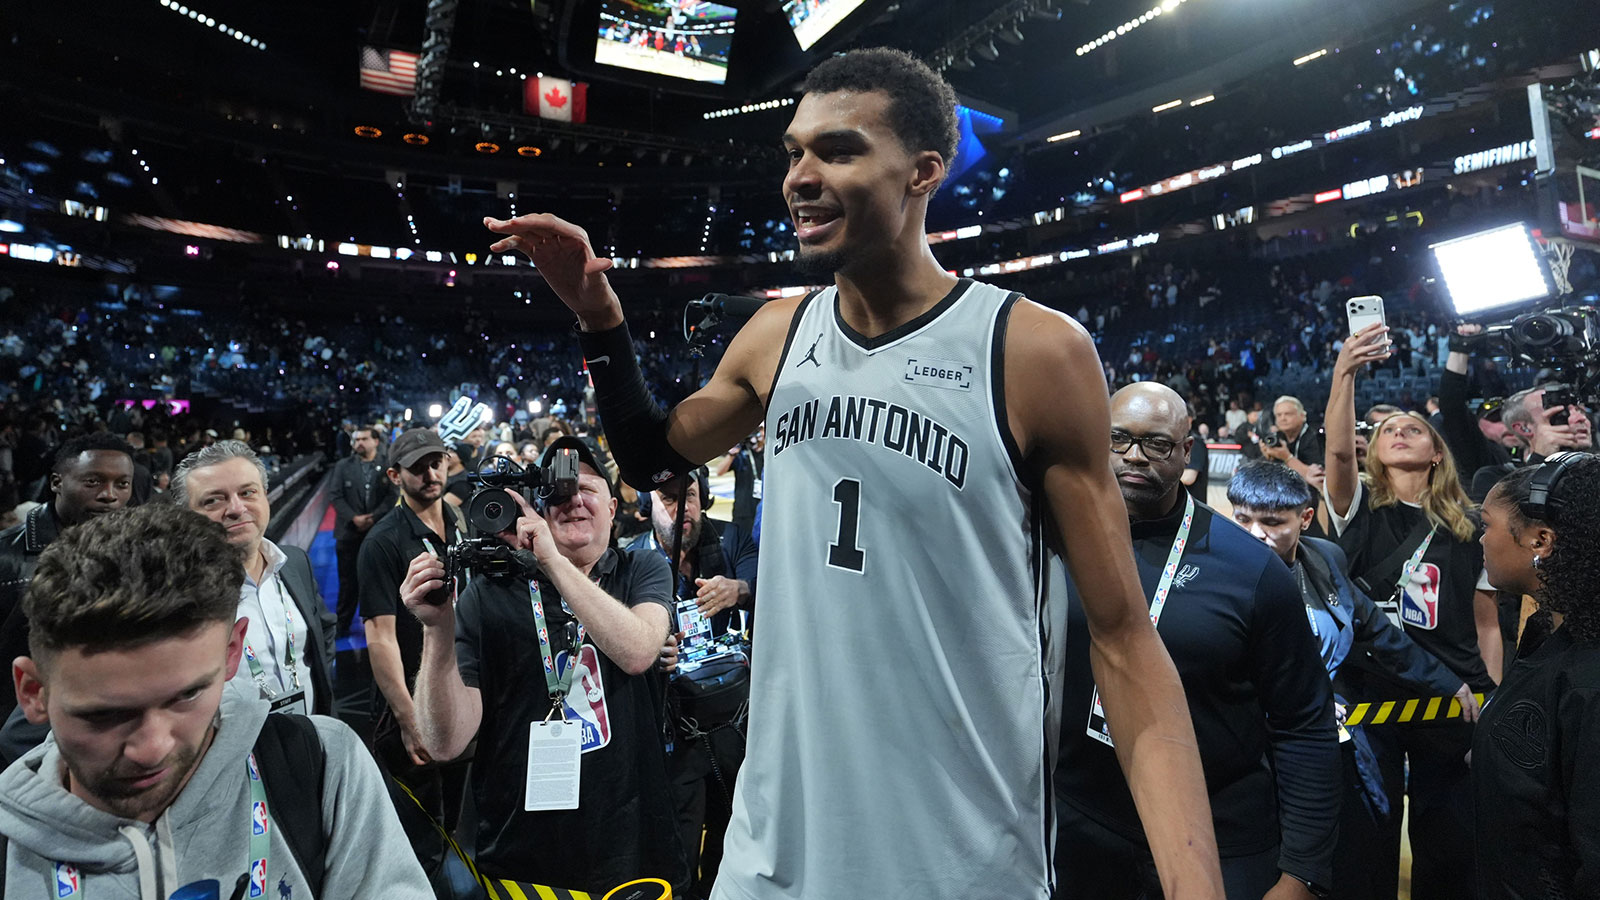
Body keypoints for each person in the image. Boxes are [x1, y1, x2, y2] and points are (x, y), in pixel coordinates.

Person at [487, 47, 1223, 900]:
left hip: (960, 854)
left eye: (836, 150)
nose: (800, 175)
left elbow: (1126, 642)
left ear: (924, 172)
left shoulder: (1030, 350)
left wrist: (1195, 885)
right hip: (774, 851)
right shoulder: (778, 333)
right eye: (793, 152)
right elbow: (655, 455)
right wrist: (599, 318)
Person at [0, 503, 431, 898]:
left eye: (188, 695)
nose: (152, 748)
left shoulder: (324, 764)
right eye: (104, 715)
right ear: (33, 692)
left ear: (230, 653)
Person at [1053, 384, 1339, 900]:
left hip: (1216, 837)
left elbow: (1304, 723)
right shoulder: (1055, 542)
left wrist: (1302, 872)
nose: (1134, 456)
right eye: (1118, 439)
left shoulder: (1252, 571)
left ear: (1187, 451)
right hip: (1081, 828)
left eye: (1157, 444)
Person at [404, 438, 686, 893]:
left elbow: (637, 651)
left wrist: (551, 561)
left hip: (630, 845)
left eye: (587, 489)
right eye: (558, 493)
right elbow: (445, 742)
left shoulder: (642, 569)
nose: (573, 500)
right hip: (522, 859)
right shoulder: (490, 594)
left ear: (614, 508)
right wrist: (435, 630)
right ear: (538, 510)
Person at [1226, 460, 1481, 900]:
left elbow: (1376, 631)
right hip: (1252, 753)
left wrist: (1446, 682)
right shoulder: (1220, 572)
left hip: (1320, 747)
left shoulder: (1326, 558)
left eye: (1271, 522)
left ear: (1305, 519)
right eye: (1242, 520)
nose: (1254, 534)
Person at [1324, 322, 1500, 900]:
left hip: (1450, 695)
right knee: (1370, 839)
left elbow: (1485, 623)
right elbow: (1334, 450)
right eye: (1388, 430)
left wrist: (1490, 696)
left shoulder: (1471, 525)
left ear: (1436, 451)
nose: (1399, 433)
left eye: (1414, 428)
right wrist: (1345, 371)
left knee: (1446, 839)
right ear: (1371, 449)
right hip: (1370, 690)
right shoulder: (1356, 509)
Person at [1474, 453, 1600, 900]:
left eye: (1486, 525)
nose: (1481, 539)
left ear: (1540, 540)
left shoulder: (1587, 678)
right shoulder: (1548, 632)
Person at [628, 468, 758, 893]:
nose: (683, 508)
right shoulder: (632, 559)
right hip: (672, 728)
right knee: (679, 843)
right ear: (648, 508)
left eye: (691, 495)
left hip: (729, 721)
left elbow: (767, 578)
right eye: (668, 500)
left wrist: (738, 588)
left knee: (731, 836)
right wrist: (651, 648)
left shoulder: (730, 538)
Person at [356, 427, 468, 865]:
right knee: (416, 834)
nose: (430, 473)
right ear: (394, 475)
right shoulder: (382, 542)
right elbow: (379, 638)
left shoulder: (463, 522)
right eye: (417, 467)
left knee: (458, 819)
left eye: (436, 462)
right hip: (408, 699)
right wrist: (408, 716)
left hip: (460, 690)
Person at [172, 441, 337, 717]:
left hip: (311, 736)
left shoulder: (294, 562)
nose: (236, 508)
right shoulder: (175, 592)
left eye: (248, 492)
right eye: (214, 500)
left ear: (265, 496)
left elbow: (324, 634)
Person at [0, 434, 134, 720]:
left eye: (122, 484)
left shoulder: (137, 553)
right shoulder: (5, 555)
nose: (109, 495)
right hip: (18, 726)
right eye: (93, 482)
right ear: (56, 483)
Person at [329, 423, 395, 635]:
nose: (358, 443)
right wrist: (354, 518)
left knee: (378, 582)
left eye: (363, 439)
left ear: (375, 441)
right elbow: (336, 496)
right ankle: (342, 626)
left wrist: (374, 517)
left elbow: (392, 496)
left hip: (377, 533)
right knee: (347, 582)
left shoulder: (387, 465)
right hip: (348, 532)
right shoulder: (343, 466)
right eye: (356, 439)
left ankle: (378, 626)